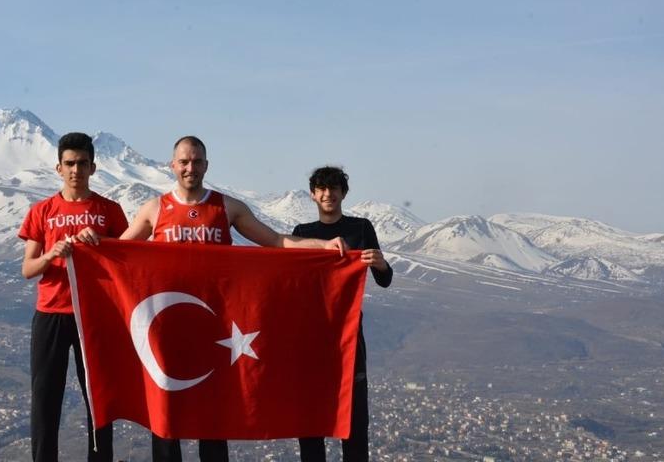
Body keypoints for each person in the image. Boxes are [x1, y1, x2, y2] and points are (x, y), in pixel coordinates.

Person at [120, 136, 347, 462]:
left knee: (212, 418)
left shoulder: (227, 207)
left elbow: (274, 241)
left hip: (214, 329)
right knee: (166, 415)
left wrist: (321, 246)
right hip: (168, 330)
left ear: (206, 166)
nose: (190, 168)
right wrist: (88, 244)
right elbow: (117, 253)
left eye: (197, 161)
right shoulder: (155, 210)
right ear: (172, 165)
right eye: (184, 161)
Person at [19, 132, 129, 462]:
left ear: (93, 167)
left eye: (82, 163)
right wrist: (52, 253)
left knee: (98, 398)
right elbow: (28, 268)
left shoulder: (109, 210)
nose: (75, 170)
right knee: (45, 399)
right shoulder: (42, 211)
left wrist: (103, 246)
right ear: (58, 167)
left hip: (95, 315)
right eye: (69, 163)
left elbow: (128, 260)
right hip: (51, 312)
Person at [292, 166, 392, 462]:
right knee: (310, 423)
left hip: (348, 338)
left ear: (343, 193)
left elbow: (384, 280)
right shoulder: (302, 234)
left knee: (356, 424)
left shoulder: (361, 229)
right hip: (310, 340)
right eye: (321, 189)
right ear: (312, 195)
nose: (327, 194)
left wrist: (380, 263)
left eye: (333, 188)